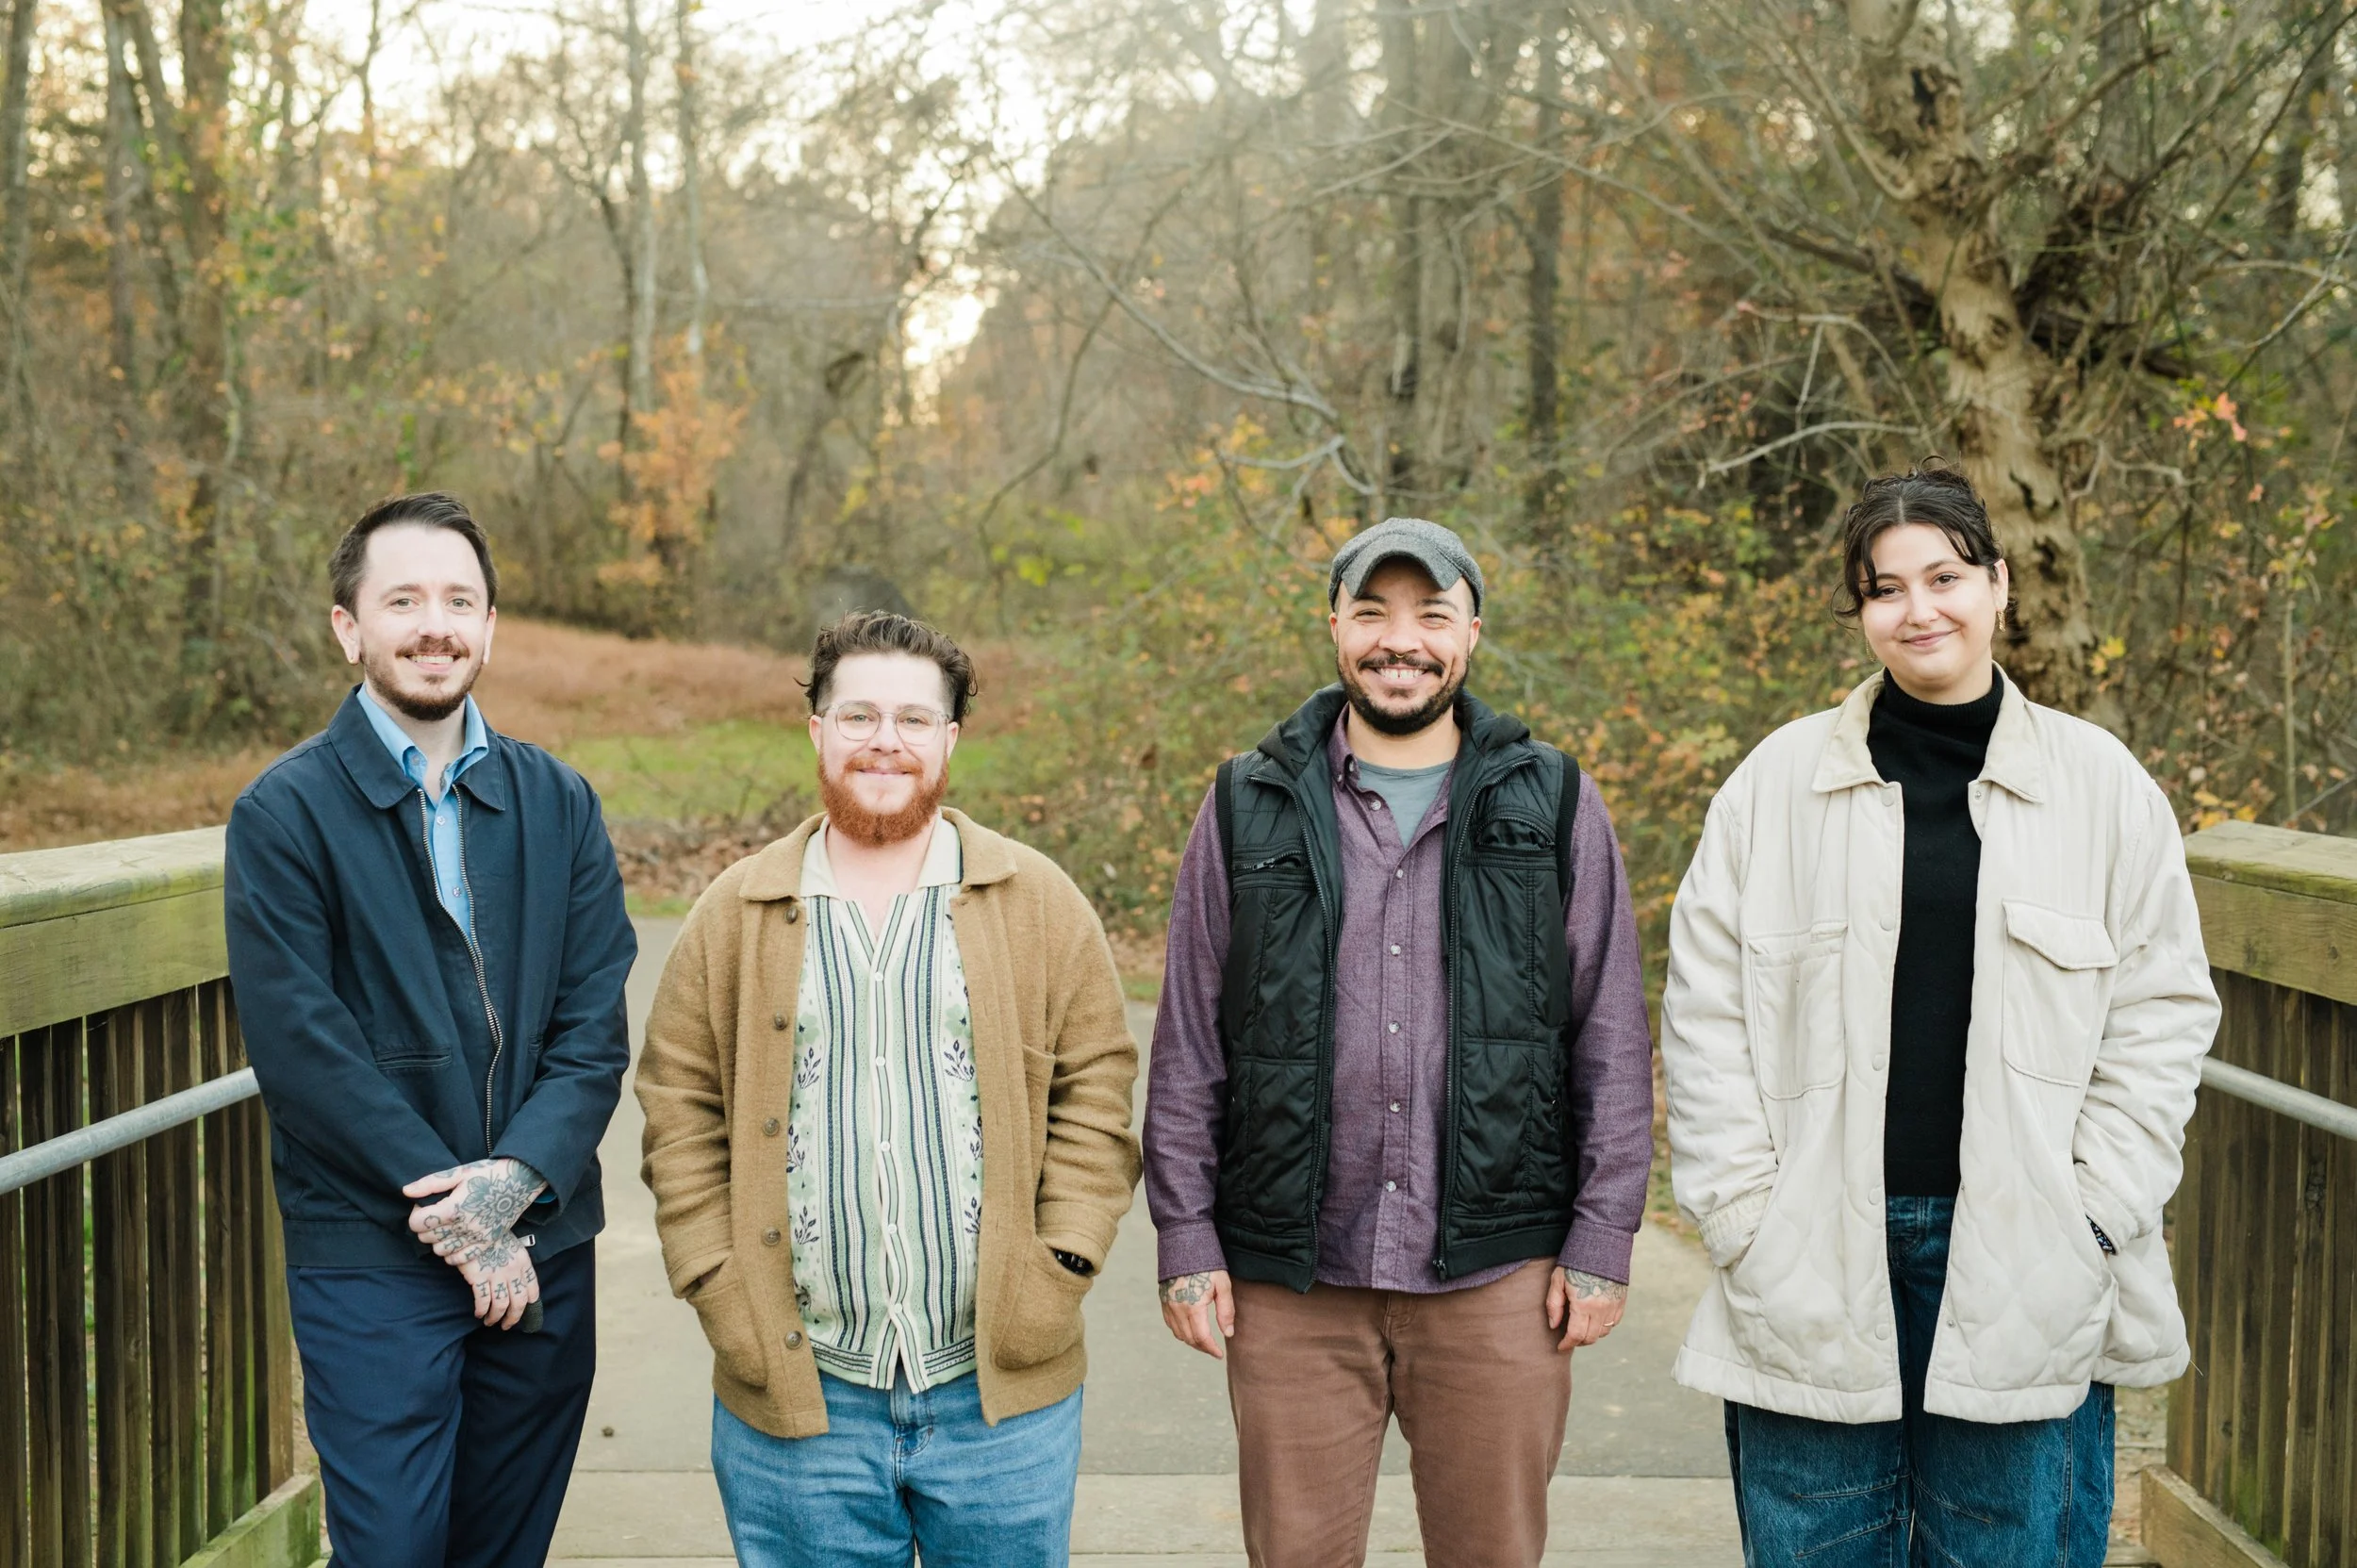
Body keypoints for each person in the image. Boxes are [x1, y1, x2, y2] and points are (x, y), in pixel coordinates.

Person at [1659, 462, 2217, 1567]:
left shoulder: (2100, 788)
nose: (1918, 610)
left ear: (1998, 584)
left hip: (2026, 1259)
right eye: (1883, 588)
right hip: (1810, 1254)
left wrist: (2095, 1211)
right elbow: (1705, 1009)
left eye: (1945, 576)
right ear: (1859, 611)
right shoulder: (1774, 786)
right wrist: (1737, 1213)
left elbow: (2160, 1013)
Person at [1146, 517, 1656, 1568]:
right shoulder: (1247, 802)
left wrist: (1602, 1240)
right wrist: (1186, 1240)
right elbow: (1191, 1038)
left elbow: (1609, 1031)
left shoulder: (1553, 798)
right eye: (1371, 612)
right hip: (1294, 1283)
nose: (1400, 640)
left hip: (1496, 1276)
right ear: (1334, 624)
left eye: (1430, 613)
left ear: (1471, 630)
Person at [636, 610, 1141, 1568]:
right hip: (800, 1400)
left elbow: (1097, 1089)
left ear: (949, 739)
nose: (885, 741)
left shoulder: (1037, 901)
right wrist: (715, 1281)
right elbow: (677, 1106)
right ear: (817, 729)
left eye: (914, 719)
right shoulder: (732, 914)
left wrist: (1062, 1263)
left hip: (1000, 1402)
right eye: (858, 714)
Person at [223, 492, 637, 1567]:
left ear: (491, 626)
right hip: (371, 1249)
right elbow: (301, 1043)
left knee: (502, 1548)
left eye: (459, 599)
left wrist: (516, 1184)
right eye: (402, 599)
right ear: (348, 626)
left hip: (544, 1241)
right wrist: (459, 1209)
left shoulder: (560, 802)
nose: (435, 624)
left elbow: (594, 1024)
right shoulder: (285, 814)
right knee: (394, 1547)